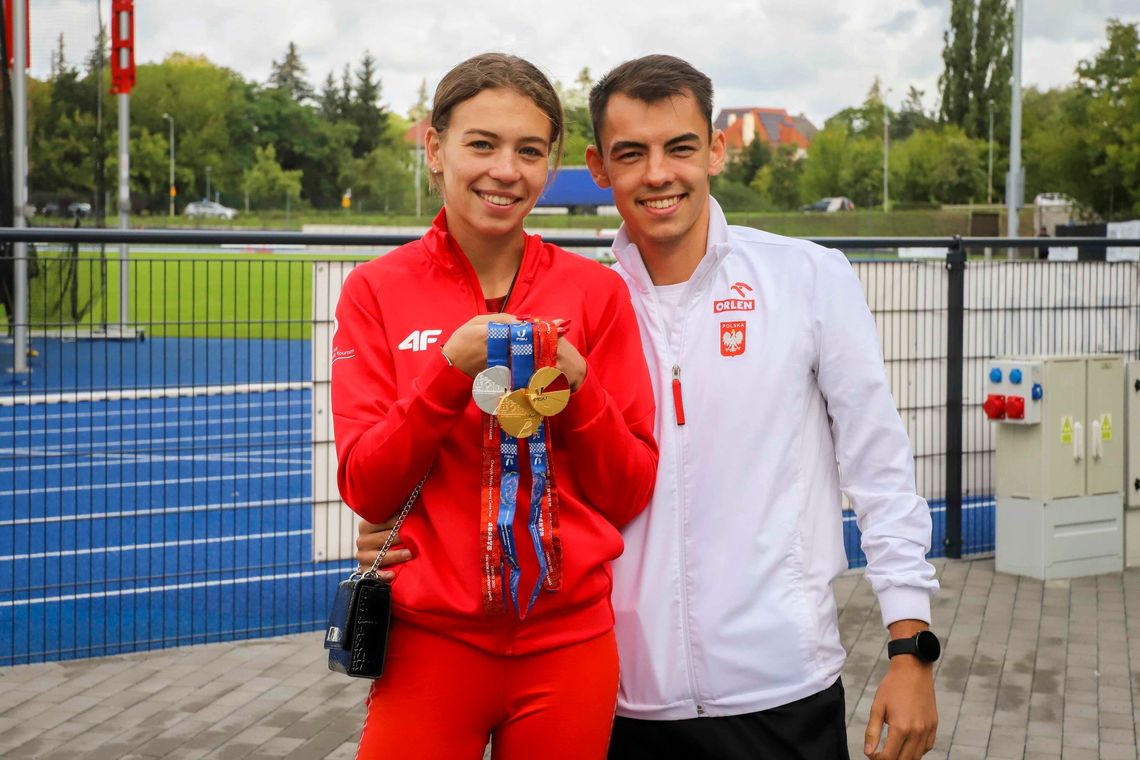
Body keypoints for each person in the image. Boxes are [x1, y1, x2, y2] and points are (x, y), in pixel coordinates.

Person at [359, 54, 940, 760]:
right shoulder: (588, 300)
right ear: (599, 168)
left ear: (717, 150)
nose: (658, 174)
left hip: (783, 682)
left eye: (680, 147)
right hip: (625, 698)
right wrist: (424, 532)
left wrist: (911, 645)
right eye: (632, 154)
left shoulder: (808, 279)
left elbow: (880, 469)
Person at [331, 52, 657, 760]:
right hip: (430, 646)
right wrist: (450, 370)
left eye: (529, 151)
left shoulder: (596, 294)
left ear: (551, 164)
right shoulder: (375, 292)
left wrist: (580, 392)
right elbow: (367, 484)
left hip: (569, 646)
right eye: (482, 143)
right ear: (435, 148)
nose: (505, 170)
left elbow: (629, 489)